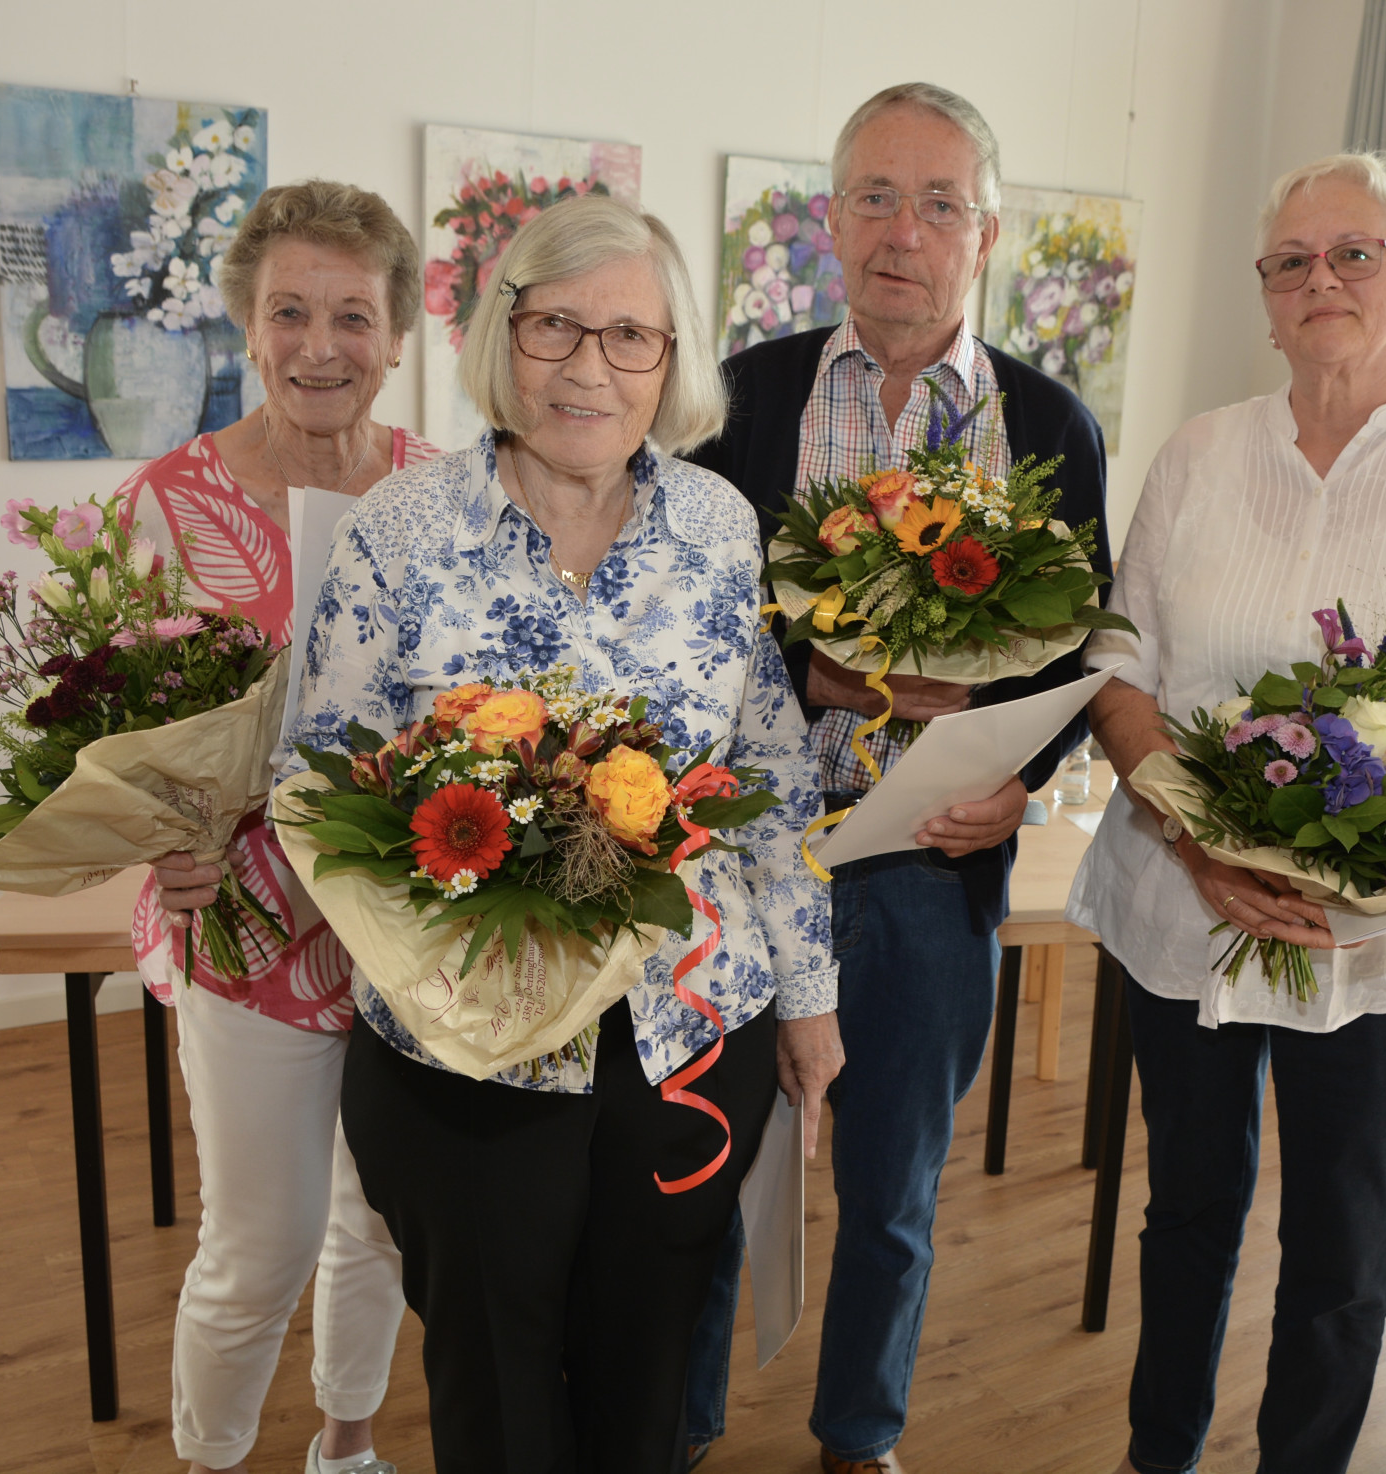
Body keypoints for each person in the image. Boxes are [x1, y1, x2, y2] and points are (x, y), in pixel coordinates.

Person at [284, 192, 843, 1474]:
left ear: (670, 358)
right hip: (468, 1052)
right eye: (555, 328)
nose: (590, 366)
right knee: (493, 1391)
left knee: (646, 1386)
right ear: (504, 334)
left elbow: (768, 769)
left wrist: (809, 999)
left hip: (686, 1036)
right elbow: (312, 778)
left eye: (629, 335)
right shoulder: (400, 530)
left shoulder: (717, 527)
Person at [1069, 151, 1386, 1474]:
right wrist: (1196, 834)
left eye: (1356, 254)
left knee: (1343, 1250)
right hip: (1186, 906)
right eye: (1291, 261)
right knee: (1187, 1212)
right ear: (1266, 298)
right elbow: (1118, 664)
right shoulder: (1197, 453)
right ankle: (1159, 1454)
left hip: (1383, 939)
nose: (1322, 280)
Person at [680, 82, 1107, 1474]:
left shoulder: (1052, 426)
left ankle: (858, 1435)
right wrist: (820, 675)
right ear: (831, 219)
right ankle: (676, 1429)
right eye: (874, 196)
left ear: (986, 234)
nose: (901, 232)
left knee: (895, 1192)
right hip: (743, 858)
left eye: (937, 204)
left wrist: (1021, 778)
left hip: (934, 859)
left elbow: (1079, 651)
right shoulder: (740, 400)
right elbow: (680, 622)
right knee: (701, 1172)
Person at [135, 178, 438, 1474]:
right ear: (248, 328)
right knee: (259, 1243)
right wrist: (159, 834)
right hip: (247, 922)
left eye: (353, 315)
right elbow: (109, 727)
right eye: (290, 312)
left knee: (376, 1221)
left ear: (397, 334)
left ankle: (347, 1444)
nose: (321, 345)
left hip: (409, 923)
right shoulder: (172, 502)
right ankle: (210, 1458)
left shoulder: (446, 492)